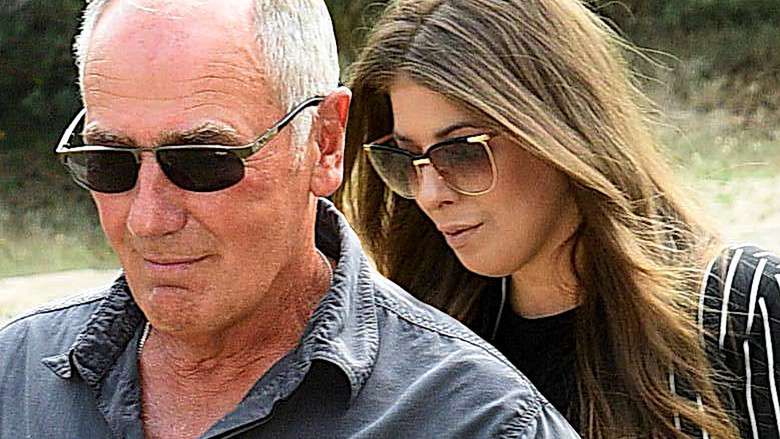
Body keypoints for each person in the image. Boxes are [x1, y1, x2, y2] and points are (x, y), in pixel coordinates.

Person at [0, 0, 581, 438]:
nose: (148, 219)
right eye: (109, 162)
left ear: (324, 143)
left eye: (205, 162)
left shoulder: (475, 420)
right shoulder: (15, 376)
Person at [337, 0, 780, 437]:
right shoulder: (417, 347)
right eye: (406, 158)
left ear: (557, 130)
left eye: (461, 151)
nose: (430, 194)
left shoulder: (746, 309)